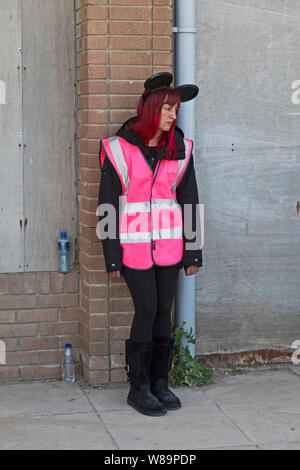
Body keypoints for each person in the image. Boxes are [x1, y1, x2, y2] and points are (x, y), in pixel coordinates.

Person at [98, 72, 202, 417]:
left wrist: (193, 251)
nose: (174, 115)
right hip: (134, 248)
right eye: (169, 108)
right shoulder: (118, 149)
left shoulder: (182, 150)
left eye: (177, 110)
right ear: (152, 109)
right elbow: (107, 206)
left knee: (163, 312)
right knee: (145, 310)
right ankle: (138, 387)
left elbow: (190, 202)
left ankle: (160, 382)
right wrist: (112, 254)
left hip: (171, 248)